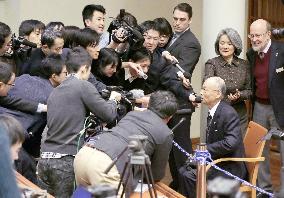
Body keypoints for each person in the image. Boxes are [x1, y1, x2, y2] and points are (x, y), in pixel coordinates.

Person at [37, 47, 120, 197]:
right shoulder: (83, 86)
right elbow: (109, 114)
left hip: (44, 160)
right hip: (64, 162)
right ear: (84, 69)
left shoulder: (55, 91)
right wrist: (114, 100)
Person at [74, 90, 178, 196]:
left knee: (84, 195)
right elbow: (155, 174)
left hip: (85, 152)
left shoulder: (131, 115)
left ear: (149, 105)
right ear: (170, 117)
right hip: (106, 165)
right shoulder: (165, 133)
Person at [178, 76, 247, 197]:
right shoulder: (214, 110)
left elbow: (230, 143)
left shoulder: (228, 113)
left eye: (205, 89)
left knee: (188, 175)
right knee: (184, 169)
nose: (201, 92)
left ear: (217, 94)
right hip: (216, 161)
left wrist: (204, 150)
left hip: (229, 167)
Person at [246, 19, 284, 197]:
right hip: (260, 107)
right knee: (261, 152)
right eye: (251, 35)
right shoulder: (251, 54)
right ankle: (264, 190)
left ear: (268, 35)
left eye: (258, 35)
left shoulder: (282, 51)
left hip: (281, 110)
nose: (254, 39)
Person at [166, 3, 201, 190]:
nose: (177, 23)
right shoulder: (172, 36)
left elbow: (181, 73)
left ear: (190, 20)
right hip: (168, 101)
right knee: (171, 151)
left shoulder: (191, 43)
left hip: (180, 103)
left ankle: (189, 190)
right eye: (175, 18)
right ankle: (178, 187)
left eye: (182, 19)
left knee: (182, 152)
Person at [204, 28, 251, 137]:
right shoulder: (212, 64)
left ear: (236, 46)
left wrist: (239, 95)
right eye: (222, 43)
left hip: (239, 114)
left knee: (239, 147)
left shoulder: (245, 65)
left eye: (229, 44)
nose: (225, 46)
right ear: (218, 45)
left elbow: (249, 90)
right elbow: (208, 88)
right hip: (218, 113)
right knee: (219, 147)